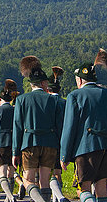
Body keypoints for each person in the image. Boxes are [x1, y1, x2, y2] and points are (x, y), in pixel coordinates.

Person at [60, 49, 107, 202]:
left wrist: (64, 155)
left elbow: (69, 128)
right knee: (102, 190)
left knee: (83, 188)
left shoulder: (75, 96)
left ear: (80, 80)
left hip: (85, 149)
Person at [13, 57, 64, 202]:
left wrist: (14, 152)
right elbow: (59, 126)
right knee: (45, 180)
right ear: (43, 83)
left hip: (29, 143)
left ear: (31, 84)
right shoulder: (54, 100)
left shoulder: (21, 100)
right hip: (50, 143)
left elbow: (17, 127)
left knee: (28, 179)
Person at [0, 79, 18, 202]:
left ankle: (10, 196)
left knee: (1, 172)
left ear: (0, 99)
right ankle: (9, 196)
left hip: (0, 142)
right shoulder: (15, 109)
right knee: (11, 172)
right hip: (14, 142)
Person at [46, 67, 69, 202]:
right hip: (61, 141)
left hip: (48, 140)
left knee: (47, 173)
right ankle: (57, 197)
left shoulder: (45, 102)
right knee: (58, 172)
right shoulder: (65, 103)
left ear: (48, 89)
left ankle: (56, 198)